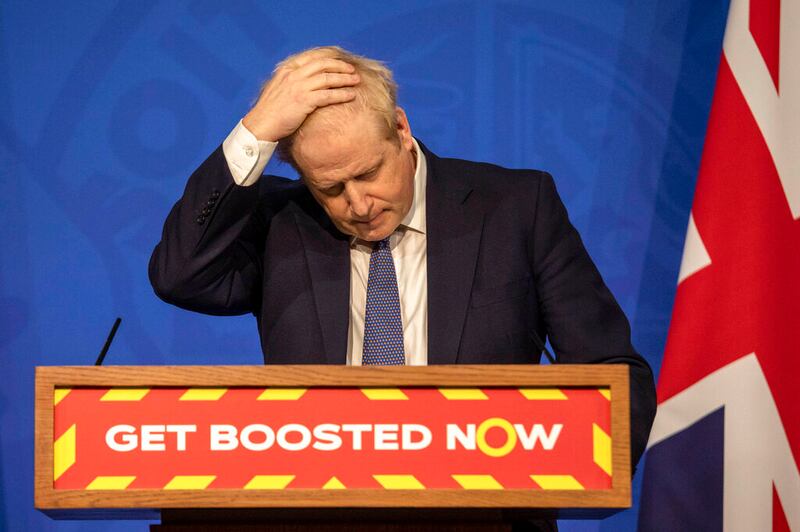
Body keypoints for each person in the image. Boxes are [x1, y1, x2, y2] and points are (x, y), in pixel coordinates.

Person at [149, 46, 656, 472]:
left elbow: (612, 371)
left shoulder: (516, 207)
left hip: (488, 516)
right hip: (314, 518)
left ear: (400, 129)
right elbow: (180, 275)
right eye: (330, 188)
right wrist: (255, 131)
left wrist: (563, 467)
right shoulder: (281, 225)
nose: (359, 204)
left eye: (369, 173)